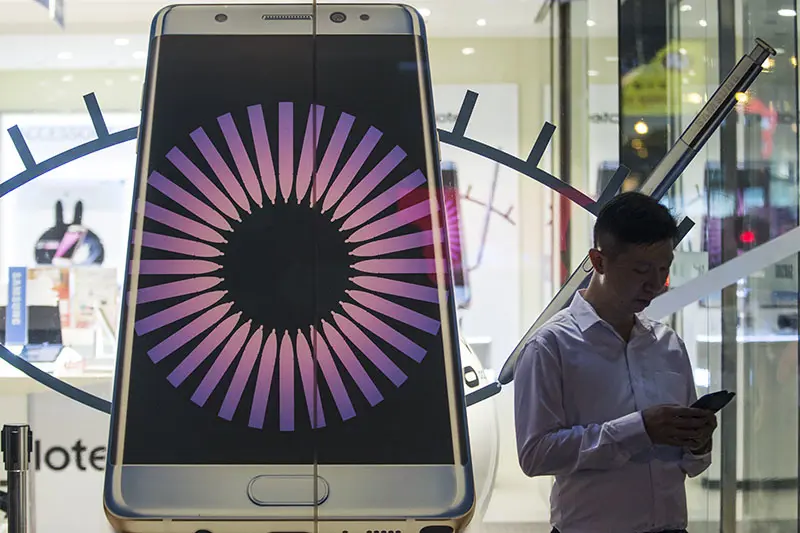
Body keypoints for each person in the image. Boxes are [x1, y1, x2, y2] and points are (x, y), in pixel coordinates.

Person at [514, 191, 718, 533]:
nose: (656, 284)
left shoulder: (667, 345)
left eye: (664, 270)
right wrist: (639, 429)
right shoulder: (550, 347)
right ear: (599, 261)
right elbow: (536, 455)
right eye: (641, 270)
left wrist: (697, 439)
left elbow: (691, 462)